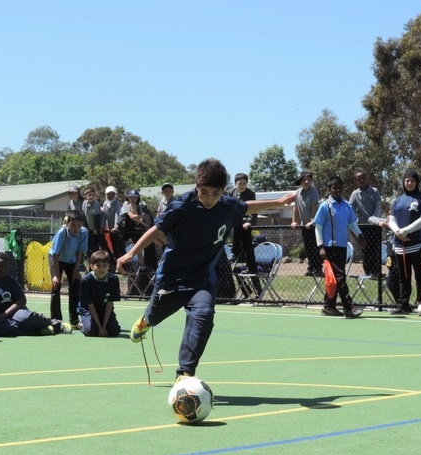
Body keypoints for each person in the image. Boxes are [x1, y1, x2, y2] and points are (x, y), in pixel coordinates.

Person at [116, 158, 294, 381]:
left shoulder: (227, 205)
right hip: (173, 277)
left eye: (216, 193)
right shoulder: (181, 206)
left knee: (204, 314)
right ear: (196, 186)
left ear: (222, 192)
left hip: (202, 278)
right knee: (154, 315)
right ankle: (146, 321)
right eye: (205, 192)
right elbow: (155, 229)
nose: (209, 199)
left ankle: (185, 372)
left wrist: (280, 201)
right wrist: (131, 253)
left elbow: (246, 207)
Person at [0, 252, 72, 337]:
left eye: (6, 267)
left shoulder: (11, 281)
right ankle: (39, 331)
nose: (3, 270)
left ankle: (56, 324)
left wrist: (5, 314)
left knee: (27, 318)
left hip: (15, 313)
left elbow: (22, 300)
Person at [314, 176, 365, 318]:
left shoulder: (346, 205)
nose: (337, 190)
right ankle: (348, 307)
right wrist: (320, 246)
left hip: (342, 247)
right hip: (329, 247)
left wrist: (360, 235)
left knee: (335, 278)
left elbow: (352, 223)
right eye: (333, 188)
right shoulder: (325, 205)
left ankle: (329, 307)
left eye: (339, 187)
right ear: (329, 190)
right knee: (340, 277)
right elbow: (318, 227)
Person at [388, 170, 421, 314]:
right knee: (403, 277)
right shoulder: (398, 200)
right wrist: (398, 232)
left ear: (417, 182)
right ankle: (403, 304)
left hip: (418, 245)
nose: (409, 183)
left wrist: (406, 231)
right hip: (400, 247)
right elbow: (391, 218)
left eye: (412, 181)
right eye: (407, 180)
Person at [50, 210, 88, 328]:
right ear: (67, 223)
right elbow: (56, 255)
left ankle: (74, 319)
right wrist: (57, 275)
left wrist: (76, 270)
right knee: (56, 288)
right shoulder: (62, 233)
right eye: (73, 225)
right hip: (57, 260)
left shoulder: (83, 232)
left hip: (72, 261)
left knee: (75, 287)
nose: (76, 228)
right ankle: (56, 320)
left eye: (78, 225)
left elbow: (80, 252)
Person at [229, 173, 261, 298]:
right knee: (235, 227)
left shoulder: (250, 194)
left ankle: (250, 265)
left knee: (248, 247)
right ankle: (234, 252)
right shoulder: (231, 193)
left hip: (246, 224)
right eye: (239, 183)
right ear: (235, 184)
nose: (241, 185)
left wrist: (249, 221)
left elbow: (254, 210)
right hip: (235, 224)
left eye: (244, 183)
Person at [78, 250, 122, 337]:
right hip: (88, 310)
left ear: (109, 266)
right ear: (91, 266)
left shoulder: (113, 279)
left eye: (104, 265)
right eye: (98, 266)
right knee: (92, 331)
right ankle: (82, 324)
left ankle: (102, 324)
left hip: (104, 309)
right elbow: (90, 305)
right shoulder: (86, 281)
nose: (101, 269)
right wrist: (100, 327)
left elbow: (110, 304)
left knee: (114, 331)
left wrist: (104, 326)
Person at [348, 170, 384, 276]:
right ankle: (368, 272)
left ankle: (377, 272)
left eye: (363, 178)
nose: (361, 180)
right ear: (356, 181)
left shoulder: (374, 191)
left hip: (375, 225)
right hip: (362, 227)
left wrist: (374, 219)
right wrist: (354, 221)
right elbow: (350, 209)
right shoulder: (354, 194)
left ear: (367, 178)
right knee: (365, 249)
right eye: (359, 179)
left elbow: (378, 207)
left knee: (376, 248)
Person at [291, 171, 321, 277]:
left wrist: (312, 221)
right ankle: (311, 268)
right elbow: (296, 208)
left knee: (315, 248)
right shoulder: (298, 192)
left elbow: (315, 208)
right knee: (308, 248)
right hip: (304, 226)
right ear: (301, 181)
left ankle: (318, 269)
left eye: (309, 179)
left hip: (315, 225)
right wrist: (294, 221)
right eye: (304, 180)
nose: (307, 181)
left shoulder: (314, 192)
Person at [81, 187, 104, 254]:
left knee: (96, 247)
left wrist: (96, 229)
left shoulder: (96, 204)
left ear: (95, 196)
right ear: (85, 196)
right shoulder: (84, 203)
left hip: (96, 229)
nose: (91, 196)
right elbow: (83, 215)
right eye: (89, 195)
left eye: (92, 195)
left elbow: (97, 217)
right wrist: (86, 226)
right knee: (87, 248)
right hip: (88, 229)